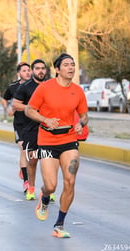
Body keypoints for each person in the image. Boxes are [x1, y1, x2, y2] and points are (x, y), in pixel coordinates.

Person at [25, 53, 88, 238]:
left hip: (69, 140)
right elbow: (29, 109)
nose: (71, 68)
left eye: (73, 64)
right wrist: (45, 119)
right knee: (51, 186)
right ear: (57, 69)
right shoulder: (45, 88)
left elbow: (84, 115)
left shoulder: (78, 90)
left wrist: (81, 123)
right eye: (66, 65)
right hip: (47, 141)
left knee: (70, 181)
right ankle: (44, 198)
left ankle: (59, 224)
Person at [12, 59, 49, 201]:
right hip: (30, 128)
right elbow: (15, 104)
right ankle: (31, 189)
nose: (41, 71)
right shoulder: (25, 87)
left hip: (47, 128)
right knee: (32, 160)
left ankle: (48, 190)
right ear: (33, 71)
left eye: (43, 68)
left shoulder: (50, 86)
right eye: (37, 68)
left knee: (47, 161)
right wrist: (31, 109)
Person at [1, 62, 32, 192]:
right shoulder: (13, 87)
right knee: (24, 150)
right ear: (19, 74)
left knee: (32, 154)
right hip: (20, 124)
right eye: (24, 70)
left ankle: (23, 168)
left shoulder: (35, 86)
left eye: (29, 70)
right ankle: (26, 182)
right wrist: (7, 108)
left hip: (34, 123)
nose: (27, 72)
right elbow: (4, 98)